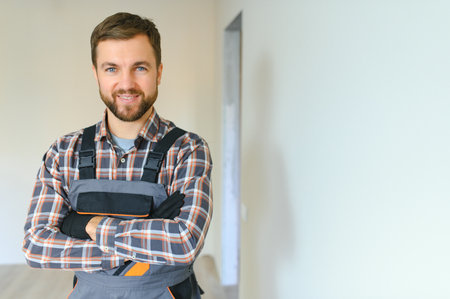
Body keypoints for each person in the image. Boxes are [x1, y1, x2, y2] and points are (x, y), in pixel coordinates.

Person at [22, 12, 212, 299]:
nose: (126, 83)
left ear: (159, 72)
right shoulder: (65, 151)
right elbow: (36, 245)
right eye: (111, 69)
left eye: (140, 68)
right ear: (96, 73)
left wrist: (87, 225)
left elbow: (184, 244)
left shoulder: (188, 149)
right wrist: (138, 241)